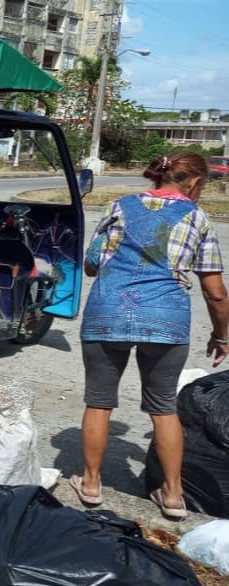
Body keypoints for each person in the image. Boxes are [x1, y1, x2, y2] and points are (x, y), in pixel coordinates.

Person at [71, 152, 229, 521]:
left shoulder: (119, 207)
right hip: (166, 320)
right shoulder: (197, 217)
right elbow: (216, 292)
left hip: (107, 314)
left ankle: (91, 484)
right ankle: (173, 495)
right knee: (163, 406)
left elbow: (92, 264)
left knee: (99, 401)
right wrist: (222, 335)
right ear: (192, 181)